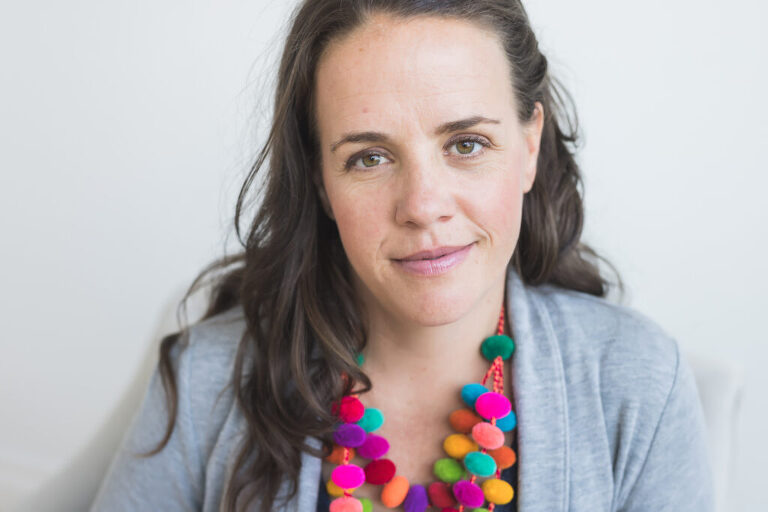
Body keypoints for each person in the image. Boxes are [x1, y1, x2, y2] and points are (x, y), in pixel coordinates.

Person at [90, 0, 715, 511]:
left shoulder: (638, 385)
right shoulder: (208, 380)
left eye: (467, 143)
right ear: (320, 183)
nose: (422, 205)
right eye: (369, 157)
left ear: (529, 145)